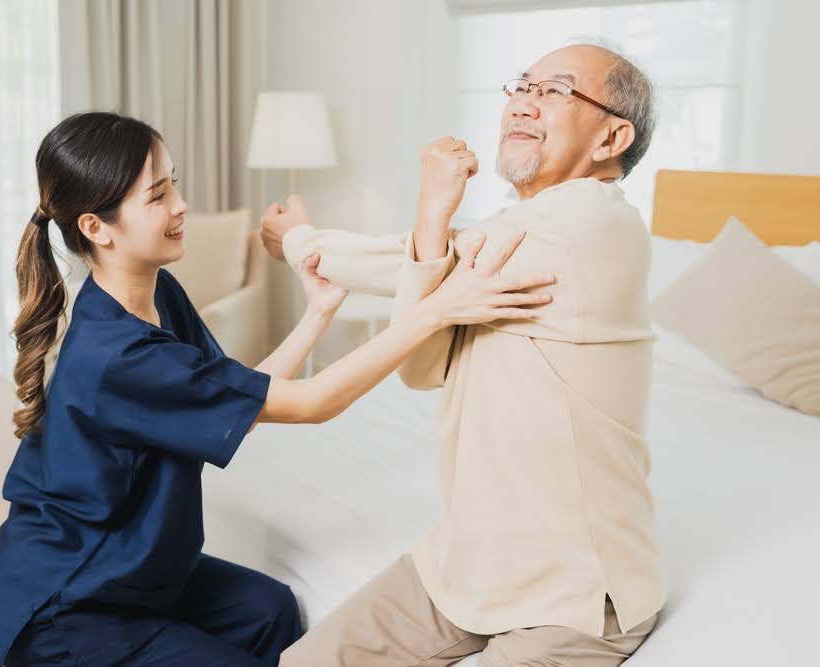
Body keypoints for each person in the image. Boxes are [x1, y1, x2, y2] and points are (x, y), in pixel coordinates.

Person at [0, 111, 556, 667]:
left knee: (272, 611)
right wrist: (433, 313)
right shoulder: (115, 356)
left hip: (128, 572)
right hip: (66, 609)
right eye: (159, 195)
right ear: (97, 227)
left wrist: (316, 313)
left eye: (175, 184)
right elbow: (311, 405)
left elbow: (242, 392)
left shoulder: (154, 295)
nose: (183, 205)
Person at [267, 44, 668, 666]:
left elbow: (430, 256)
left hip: (576, 594)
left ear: (613, 136)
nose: (524, 103)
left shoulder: (592, 223)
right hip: (465, 564)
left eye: (556, 91)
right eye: (521, 86)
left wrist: (298, 241)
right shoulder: (520, 228)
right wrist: (426, 232)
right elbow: (423, 367)